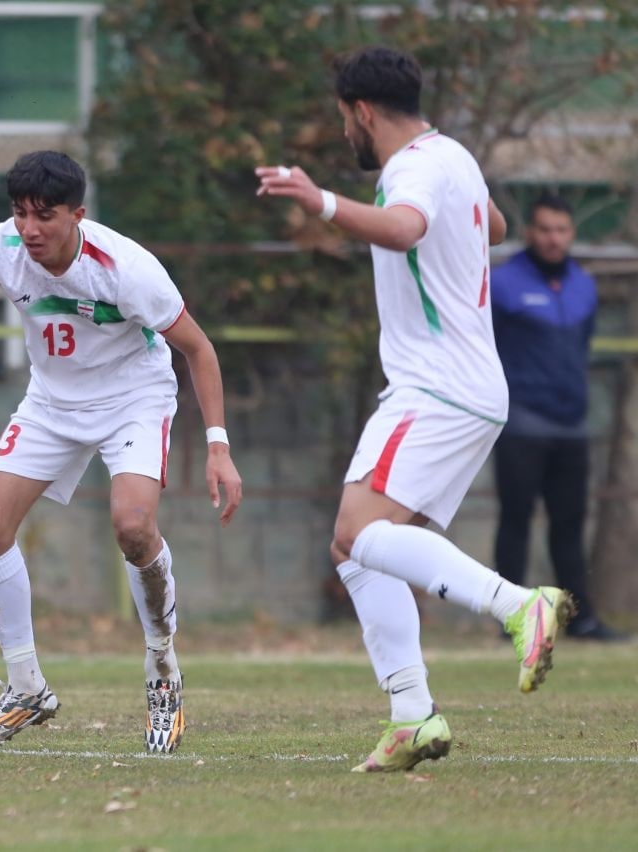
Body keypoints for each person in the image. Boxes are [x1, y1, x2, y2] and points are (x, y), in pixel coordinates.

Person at [255, 46, 575, 773]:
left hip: (435, 387)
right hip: (472, 389)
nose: (346, 136)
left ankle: (519, 604)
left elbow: (403, 229)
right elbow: (492, 226)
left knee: (354, 530)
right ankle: (412, 717)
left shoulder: (413, 169)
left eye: (345, 121)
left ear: (363, 112)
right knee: (360, 551)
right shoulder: (453, 156)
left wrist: (320, 201)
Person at [0, 150, 243, 753]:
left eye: (44, 215)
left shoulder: (127, 268)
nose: (30, 229)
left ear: (78, 213)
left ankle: (163, 672)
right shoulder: (1, 248)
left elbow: (198, 350)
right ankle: (26, 688)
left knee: (132, 524)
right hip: (50, 405)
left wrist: (218, 446)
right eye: (20, 213)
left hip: (133, 399)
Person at [491, 195, 627, 641]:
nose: (554, 239)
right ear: (530, 232)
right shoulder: (504, 283)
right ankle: (510, 619)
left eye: (562, 230)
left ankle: (579, 620)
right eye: (545, 229)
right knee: (516, 519)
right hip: (522, 423)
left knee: (569, 524)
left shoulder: (582, 286)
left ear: (571, 234)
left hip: (572, 425)